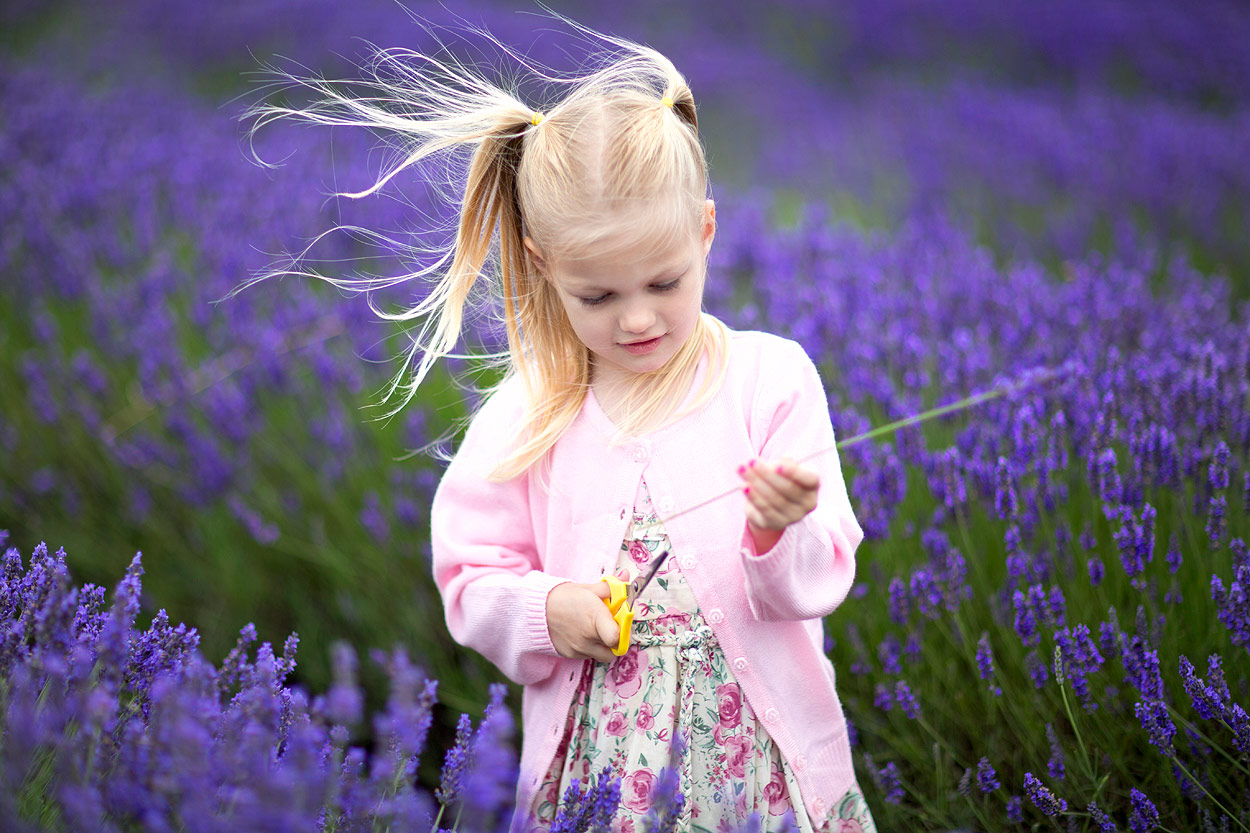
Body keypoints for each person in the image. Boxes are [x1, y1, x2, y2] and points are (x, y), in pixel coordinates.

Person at [238, 12, 872, 833]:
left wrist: (777, 530)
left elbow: (818, 580)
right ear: (543, 264)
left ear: (706, 232)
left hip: (755, 770)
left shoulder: (770, 377)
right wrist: (548, 608)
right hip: (602, 776)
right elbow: (470, 576)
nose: (638, 319)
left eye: (665, 282)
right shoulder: (530, 412)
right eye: (597, 297)